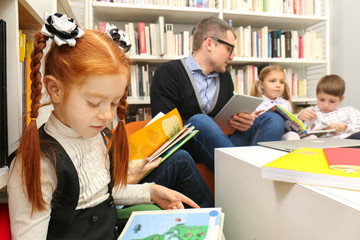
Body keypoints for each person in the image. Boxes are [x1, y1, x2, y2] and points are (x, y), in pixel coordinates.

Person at [7, 13, 201, 240]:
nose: (107, 115)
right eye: (93, 102)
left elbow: (102, 194)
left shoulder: (96, 136)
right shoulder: (38, 163)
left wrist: (150, 192)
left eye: (114, 102)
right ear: (55, 89)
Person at [150, 17, 284, 171]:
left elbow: (226, 118)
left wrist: (242, 121)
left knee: (273, 120)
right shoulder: (168, 73)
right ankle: (247, 174)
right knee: (200, 122)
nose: (232, 56)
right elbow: (164, 127)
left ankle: (251, 171)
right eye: (229, 49)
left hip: (223, 144)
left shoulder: (225, 77)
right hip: (189, 147)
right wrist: (206, 126)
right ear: (209, 44)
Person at [250, 65, 314, 140]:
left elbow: (291, 123)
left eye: (281, 82)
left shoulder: (286, 103)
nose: (278, 85)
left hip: (285, 134)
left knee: (312, 137)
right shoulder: (255, 103)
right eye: (272, 81)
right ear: (261, 84)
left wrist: (300, 118)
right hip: (266, 136)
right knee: (292, 136)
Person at [297, 74, 360, 139]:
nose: (326, 105)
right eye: (321, 100)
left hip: (343, 142)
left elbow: (358, 127)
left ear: (341, 99)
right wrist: (299, 118)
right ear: (317, 96)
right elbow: (295, 131)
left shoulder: (348, 111)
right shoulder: (308, 112)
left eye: (332, 101)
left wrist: (344, 128)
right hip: (317, 142)